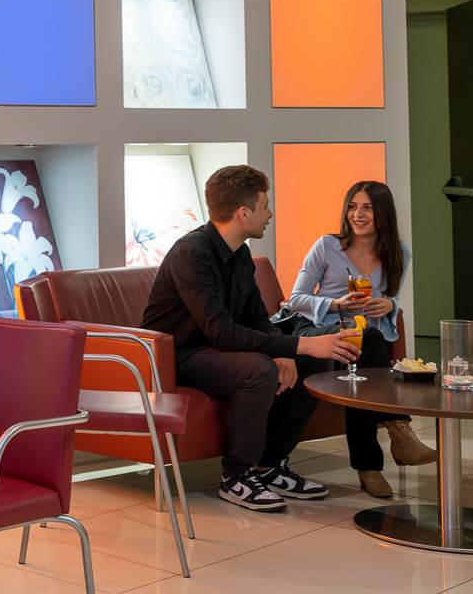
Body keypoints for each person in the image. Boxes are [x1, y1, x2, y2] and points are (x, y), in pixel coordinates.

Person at [140, 165, 360, 513]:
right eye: (265, 206)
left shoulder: (240, 252)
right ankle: (236, 476)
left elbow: (256, 317)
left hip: (216, 351)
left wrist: (287, 353)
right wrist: (299, 344)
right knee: (258, 369)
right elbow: (221, 331)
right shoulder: (191, 254)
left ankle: (269, 465)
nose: (270, 214)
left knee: (314, 360)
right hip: (178, 357)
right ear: (244, 213)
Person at [286, 180, 438, 499]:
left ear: (383, 212)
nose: (358, 214)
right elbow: (296, 299)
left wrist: (388, 306)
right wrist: (336, 304)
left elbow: (391, 299)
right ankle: (397, 432)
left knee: (363, 365)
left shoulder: (399, 253)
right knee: (367, 340)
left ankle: (371, 467)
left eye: (368, 208)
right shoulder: (327, 246)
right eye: (353, 207)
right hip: (315, 328)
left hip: (360, 339)